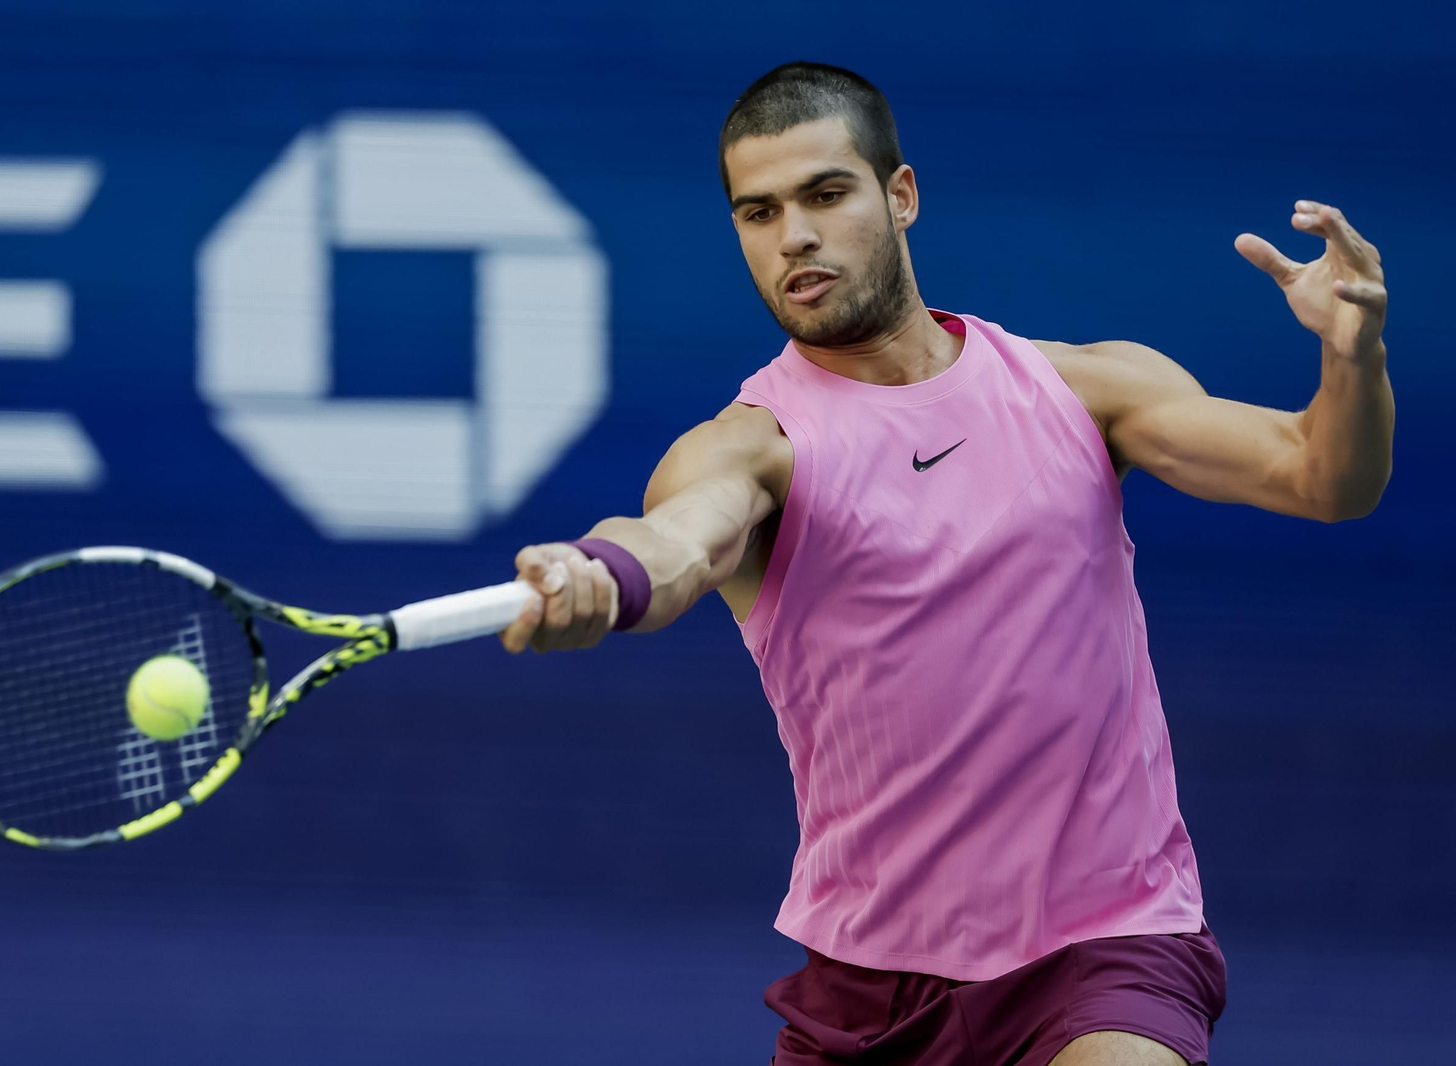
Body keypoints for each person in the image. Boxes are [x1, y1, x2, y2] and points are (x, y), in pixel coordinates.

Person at [498, 62, 1393, 1066]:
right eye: (758, 212)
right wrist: (602, 575)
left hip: (1106, 947)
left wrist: (1351, 357)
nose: (793, 234)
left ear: (901, 195)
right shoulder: (753, 448)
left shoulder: (1083, 389)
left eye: (825, 194)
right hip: (867, 989)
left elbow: (1323, 478)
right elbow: (678, 541)